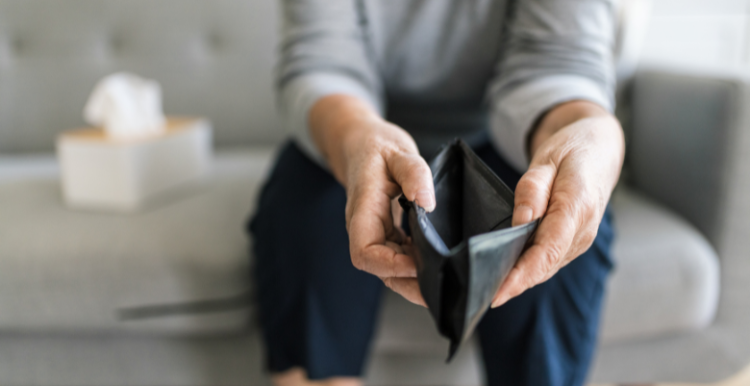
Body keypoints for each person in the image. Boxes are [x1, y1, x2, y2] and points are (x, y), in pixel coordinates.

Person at [248, 1, 624, 385]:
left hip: (510, 138)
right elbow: (322, 61)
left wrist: (593, 133)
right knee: (304, 222)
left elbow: (561, 63)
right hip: (355, 130)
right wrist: (357, 133)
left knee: (559, 236)